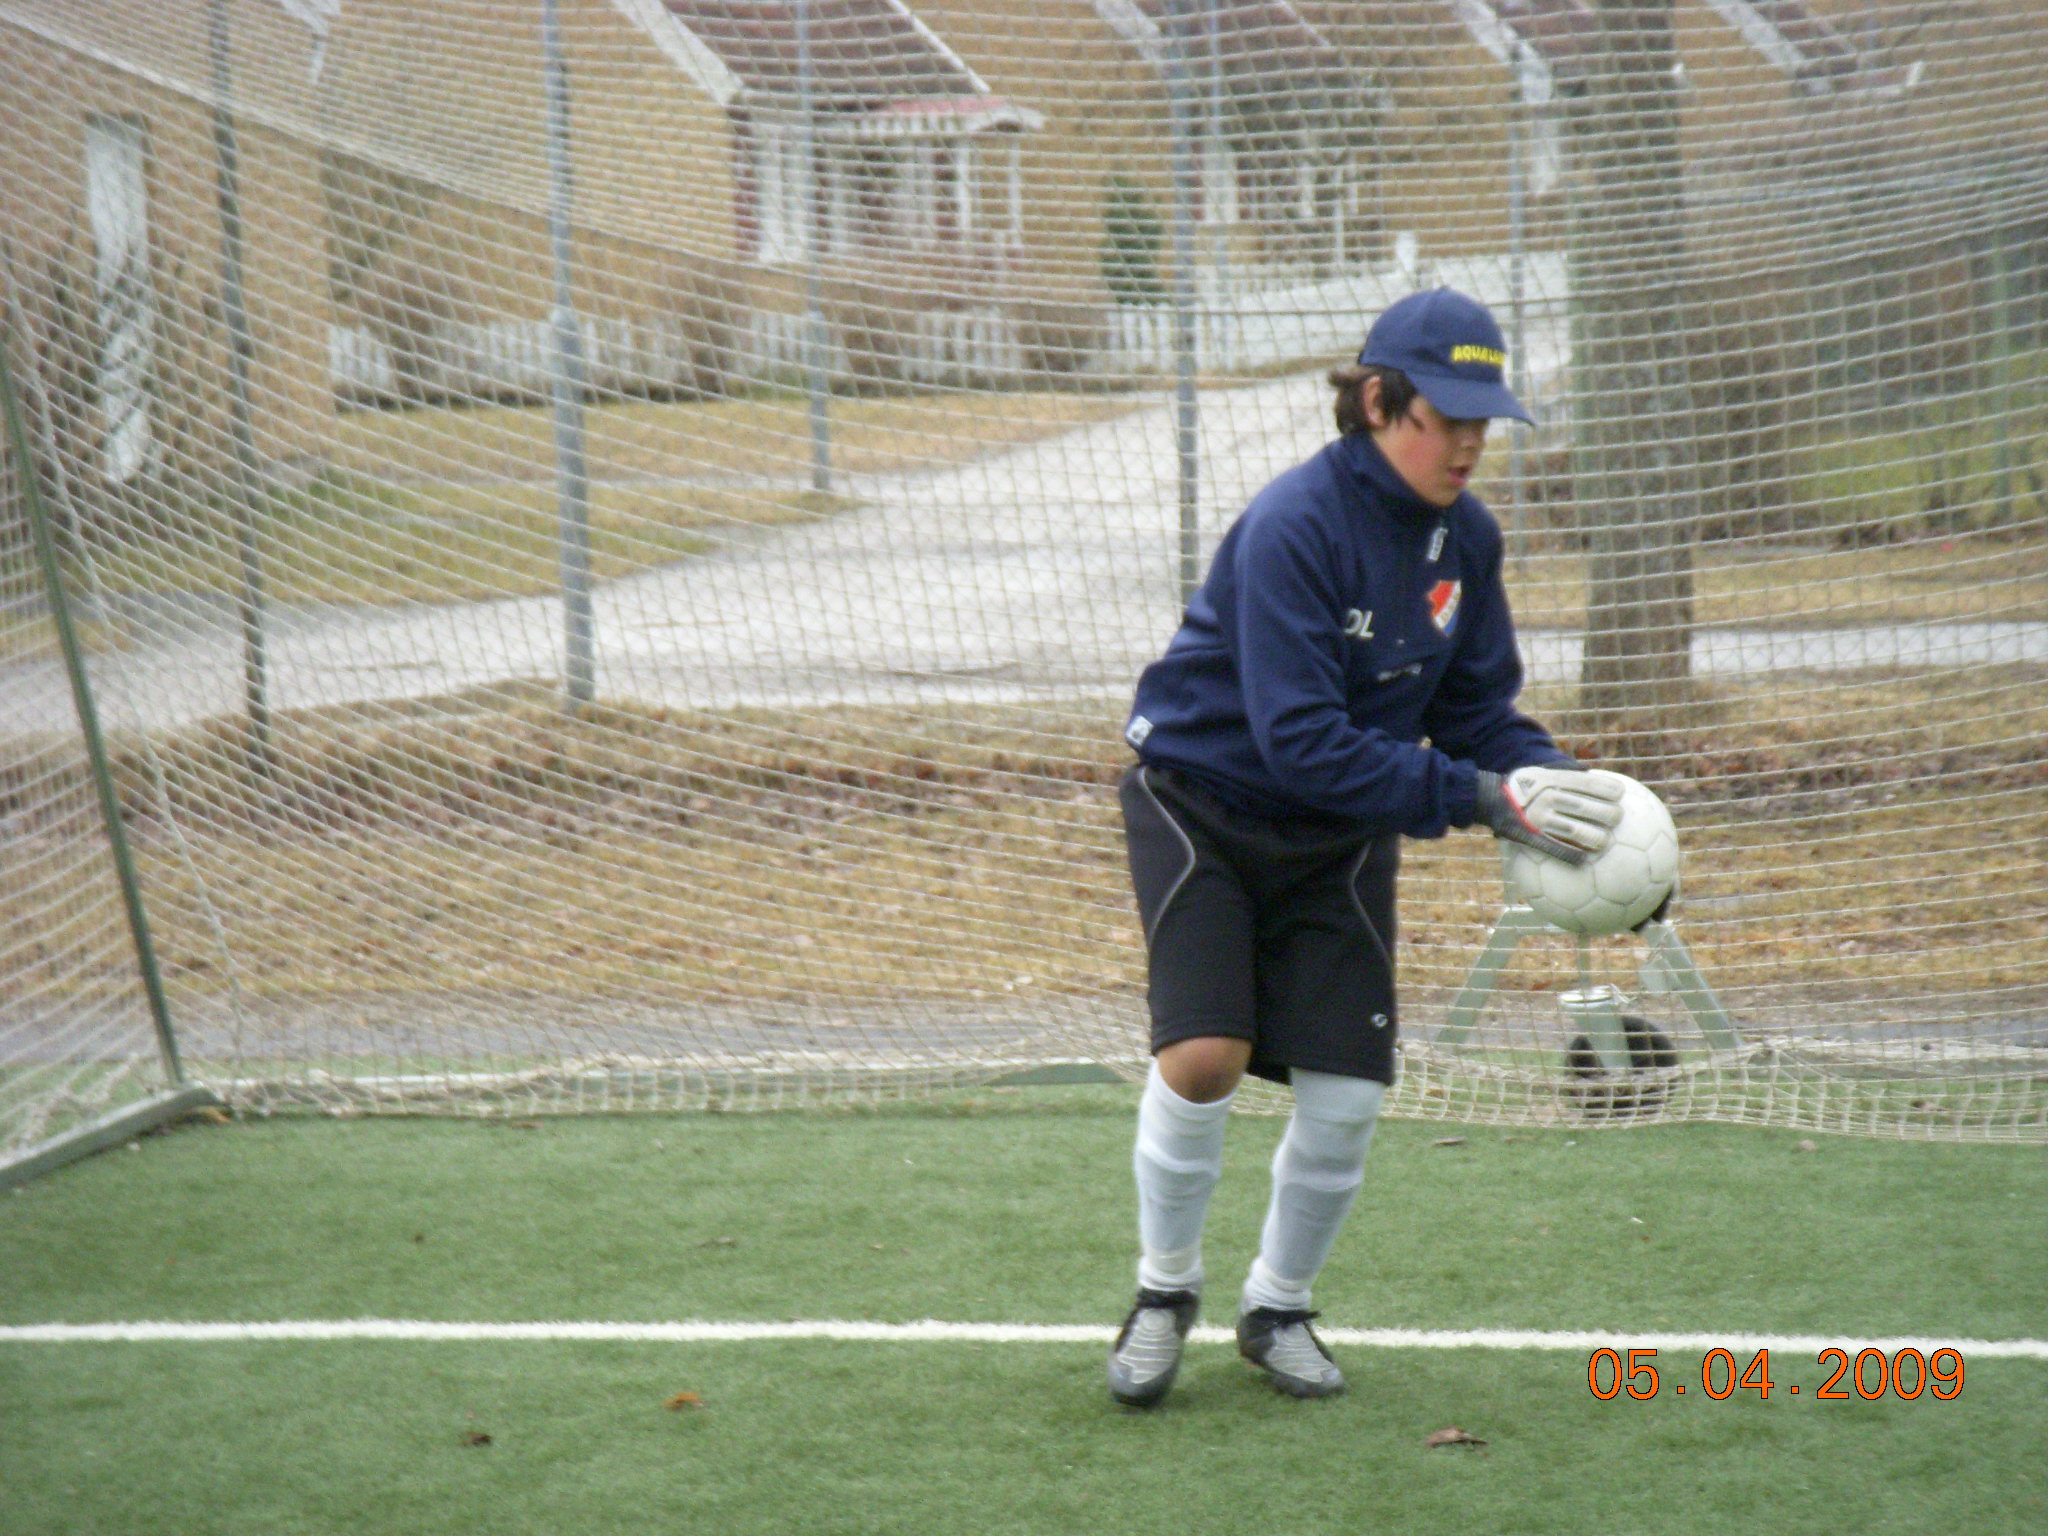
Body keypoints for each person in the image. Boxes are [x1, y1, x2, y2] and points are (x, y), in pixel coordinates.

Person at [1107, 287, 1624, 1407]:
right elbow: (1299, 742)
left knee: (1346, 1094)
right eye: (1448, 418)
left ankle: (1277, 1309)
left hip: (1336, 831)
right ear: (1380, 402)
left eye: (1484, 420)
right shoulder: (1295, 525)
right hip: (1202, 803)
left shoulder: (1466, 540)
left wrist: (1566, 790)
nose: (1470, 443)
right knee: (1206, 1055)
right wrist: (1481, 799)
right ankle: (1163, 1292)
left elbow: (1477, 713)